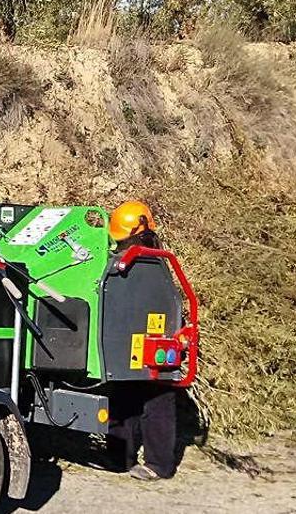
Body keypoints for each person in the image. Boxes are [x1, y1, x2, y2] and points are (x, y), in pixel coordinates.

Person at [105, 200, 179, 481]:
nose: (120, 244)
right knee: (127, 394)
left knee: (155, 398)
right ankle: (120, 459)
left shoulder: (148, 260)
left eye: (123, 239)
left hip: (150, 333)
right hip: (132, 333)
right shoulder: (154, 259)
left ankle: (158, 464)